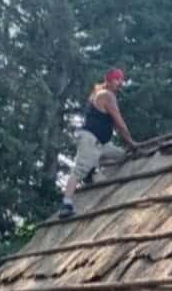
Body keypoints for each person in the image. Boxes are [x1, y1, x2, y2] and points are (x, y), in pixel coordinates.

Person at [54, 68, 139, 219]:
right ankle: (66, 204)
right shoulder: (107, 95)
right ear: (109, 80)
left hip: (103, 145)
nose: (120, 83)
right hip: (90, 140)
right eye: (117, 79)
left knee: (122, 155)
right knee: (80, 169)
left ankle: (92, 172)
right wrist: (131, 142)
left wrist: (130, 147)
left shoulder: (101, 94)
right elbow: (120, 123)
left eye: (121, 80)